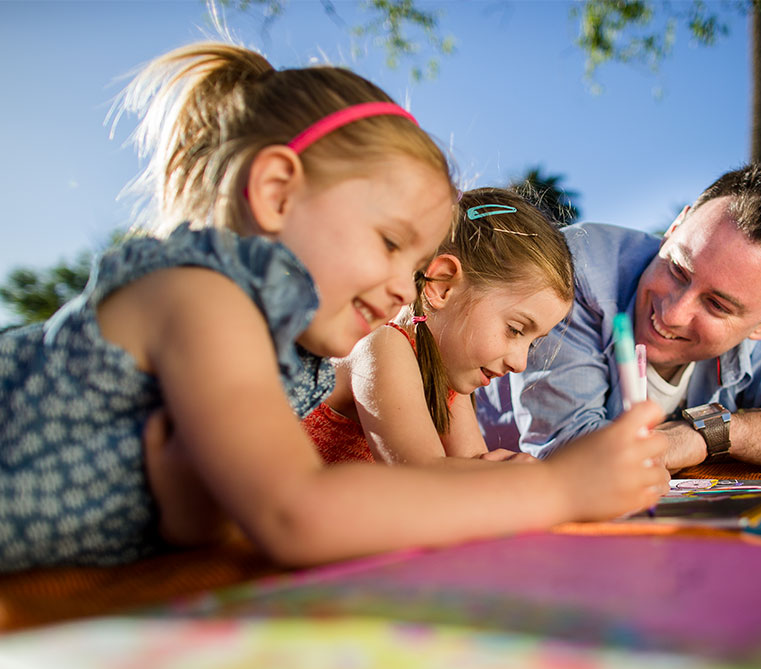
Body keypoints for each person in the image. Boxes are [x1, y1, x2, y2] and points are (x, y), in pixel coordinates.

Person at [0, 42, 669, 573]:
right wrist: (558, 491)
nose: (404, 288)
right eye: (388, 242)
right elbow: (296, 515)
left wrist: (192, 516)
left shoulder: (287, 356)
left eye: (413, 264)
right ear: (277, 193)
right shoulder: (202, 296)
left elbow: (219, 515)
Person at [477, 164, 761, 473]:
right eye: (677, 268)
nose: (672, 312)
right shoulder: (572, 274)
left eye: (717, 305)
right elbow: (570, 455)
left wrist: (711, 432)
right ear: (675, 227)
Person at [304, 187, 570, 465]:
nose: (521, 364)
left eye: (533, 341)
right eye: (515, 329)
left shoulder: (444, 377)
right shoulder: (383, 345)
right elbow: (425, 483)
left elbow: (470, 464)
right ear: (443, 286)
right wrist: (542, 483)